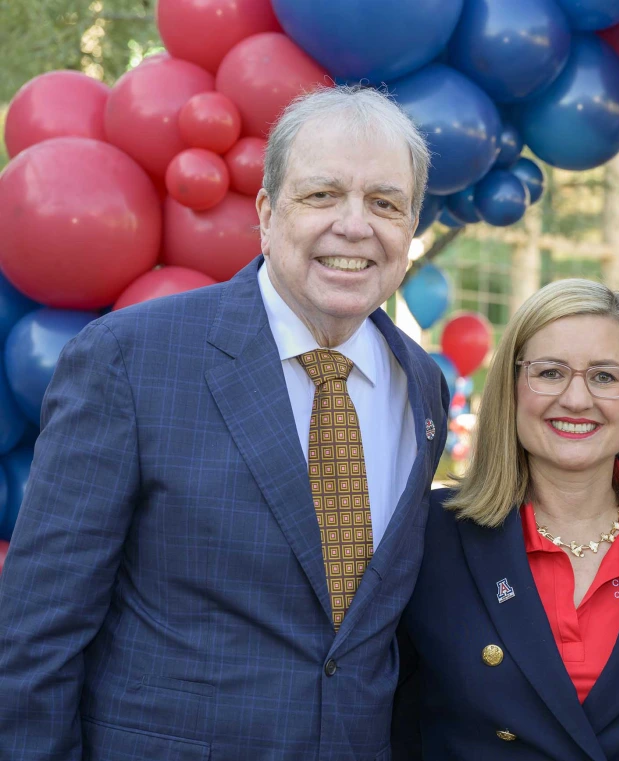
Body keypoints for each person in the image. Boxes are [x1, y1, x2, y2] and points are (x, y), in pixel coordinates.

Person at [0, 85, 449, 759]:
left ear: (410, 227)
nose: (355, 225)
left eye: (385, 203)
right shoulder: (130, 359)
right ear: (266, 213)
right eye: (323, 195)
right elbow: (37, 633)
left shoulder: (423, 386)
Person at [392, 278, 619, 760]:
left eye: (605, 377)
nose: (575, 399)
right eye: (549, 373)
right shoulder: (430, 534)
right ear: (512, 388)